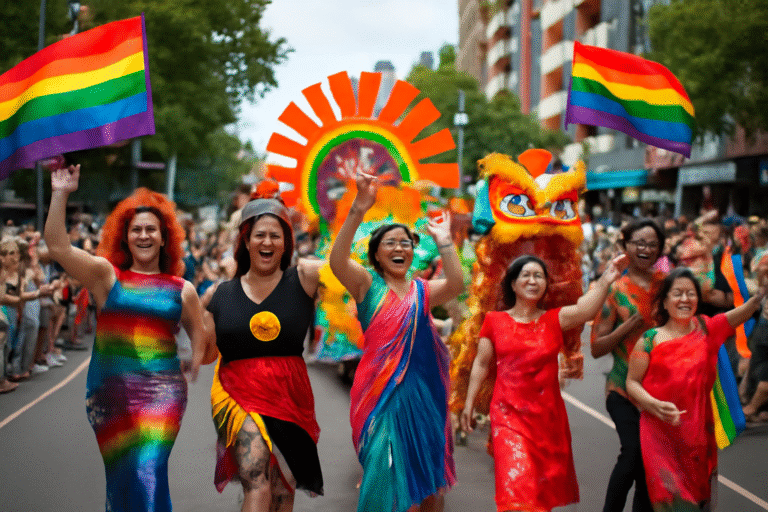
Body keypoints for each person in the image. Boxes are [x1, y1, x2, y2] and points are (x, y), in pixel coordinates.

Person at [44, 164, 211, 512]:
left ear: (165, 237)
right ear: (126, 236)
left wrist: (195, 360)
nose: (144, 236)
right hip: (112, 393)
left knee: (147, 471)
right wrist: (60, 193)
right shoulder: (107, 276)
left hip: (163, 394)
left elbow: (198, 328)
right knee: (123, 476)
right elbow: (58, 247)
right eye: (137, 230)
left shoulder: (183, 290)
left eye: (152, 229)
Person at [329, 171, 464, 512]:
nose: (399, 247)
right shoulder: (365, 284)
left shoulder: (422, 290)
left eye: (405, 242)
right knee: (383, 475)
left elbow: (455, 285)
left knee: (430, 484)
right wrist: (359, 209)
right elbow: (337, 261)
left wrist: (445, 241)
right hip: (380, 397)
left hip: (424, 396)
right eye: (390, 242)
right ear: (376, 255)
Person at [460, 253, 628, 512]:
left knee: (539, 494)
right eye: (525, 275)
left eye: (538, 276)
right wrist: (469, 404)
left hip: (547, 420)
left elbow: (585, 310)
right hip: (508, 417)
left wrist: (606, 279)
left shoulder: (555, 319)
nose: (532, 280)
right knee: (516, 486)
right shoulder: (494, 321)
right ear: (513, 284)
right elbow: (481, 364)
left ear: (546, 285)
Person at [204, 196, 325, 512]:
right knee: (256, 478)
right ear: (246, 240)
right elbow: (204, 354)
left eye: (276, 235)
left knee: (282, 492)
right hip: (236, 394)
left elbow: (348, 271)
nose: (267, 242)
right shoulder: (219, 294)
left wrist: (355, 210)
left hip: (291, 396)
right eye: (259, 234)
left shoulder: (305, 278)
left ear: (287, 243)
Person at [626, 268, 763, 511]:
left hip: (697, 437)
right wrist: (652, 403)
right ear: (665, 301)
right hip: (659, 436)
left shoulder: (707, 329)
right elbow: (632, 382)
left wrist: (760, 294)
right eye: (677, 293)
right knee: (673, 503)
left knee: (698, 501)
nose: (685, 299)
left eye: (691, 293)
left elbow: (746, 309)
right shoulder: (648, 339)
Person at [591, 219, 666, 512]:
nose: (645, 249)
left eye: (651, 244)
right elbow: (597, 348)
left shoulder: (668, 287)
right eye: (638, 243)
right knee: (633, 453)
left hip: (660, 391)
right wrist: (626, 327)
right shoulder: (614, 289)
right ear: (625, 246)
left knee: (651, 462)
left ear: (660, 249)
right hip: (622, 388)